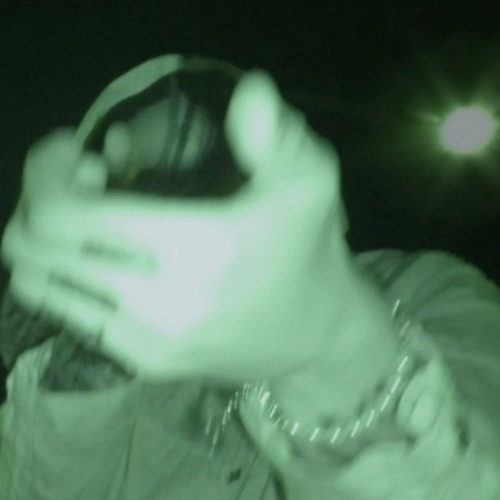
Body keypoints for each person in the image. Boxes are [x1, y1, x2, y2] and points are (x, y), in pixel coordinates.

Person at [0, 54, 499, 499]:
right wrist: (93, 338)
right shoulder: (122, 384)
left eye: (199, 155)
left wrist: (332, 348)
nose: (176, 201)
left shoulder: (425, 286)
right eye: (142, 185)